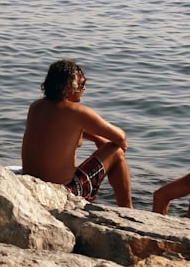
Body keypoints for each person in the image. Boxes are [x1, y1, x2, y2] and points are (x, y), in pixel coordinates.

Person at [21, 59, 132, 207]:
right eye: (82, 84)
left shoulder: (36, 107)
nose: (84, 89)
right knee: (116, 151)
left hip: (33, 185)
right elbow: (121, 138)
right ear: (69, 87)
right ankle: (128, 211)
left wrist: (95, 138)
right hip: (63, 192)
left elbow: (59, 132)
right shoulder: (77, 112)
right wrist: (104, 142)